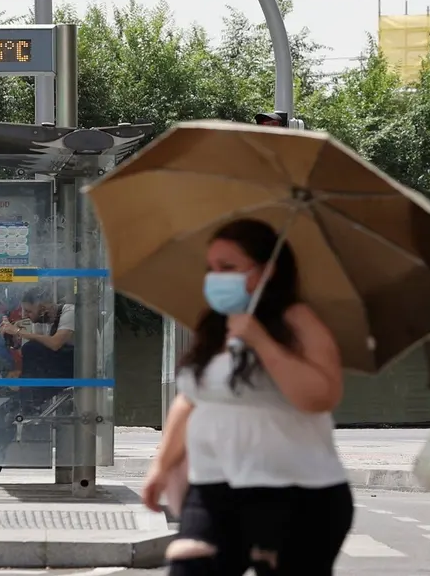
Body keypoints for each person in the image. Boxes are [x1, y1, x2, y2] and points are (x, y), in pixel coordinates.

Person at [142, 218, 353, 576]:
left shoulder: (298, 320)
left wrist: (262, 342)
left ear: (266, 271)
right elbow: (190, 400)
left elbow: (321, 396)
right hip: (214, 489)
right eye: (211, 268)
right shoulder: (214, 327)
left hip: (295, 493)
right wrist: (160, 467)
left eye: (228, 267)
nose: (215, 278)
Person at [0, 285, 75, 490]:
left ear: (43, 305)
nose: (26, 315)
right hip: (47, 378)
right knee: (4, 413)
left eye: (29, 310)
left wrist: (20, 332)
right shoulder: (43, 322)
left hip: (66, 373)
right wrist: (14, 336)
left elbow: (54, 344)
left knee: (32, 348)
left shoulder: (69, 312)